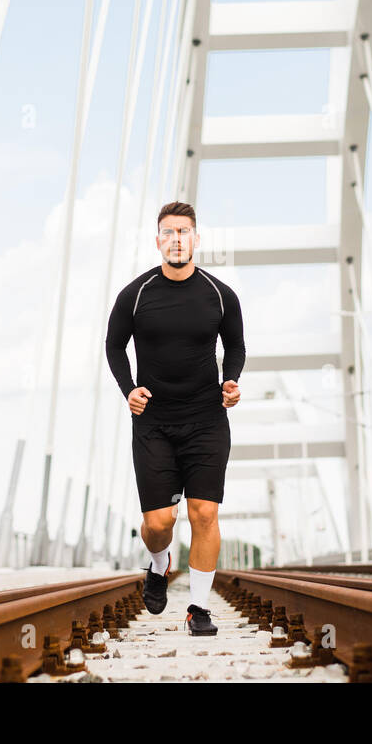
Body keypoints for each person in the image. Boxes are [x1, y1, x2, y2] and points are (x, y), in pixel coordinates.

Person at [104, 201, 245, 636]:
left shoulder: (220, 295)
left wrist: (232, 380)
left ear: (196, 239)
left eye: (184, 231)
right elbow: (113, 346)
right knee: (159, 522)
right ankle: (159, 562)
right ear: (158, 240)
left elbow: (235, 346)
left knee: (204, 513)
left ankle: (198, 610)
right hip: (154, 423)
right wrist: (129, 390)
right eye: (169, 232)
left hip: (206, 419)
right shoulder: (137, 293)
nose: (177, 239)